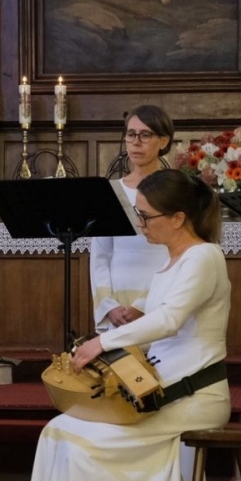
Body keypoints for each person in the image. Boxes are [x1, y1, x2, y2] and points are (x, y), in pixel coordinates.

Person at [19, 170, 232, 481]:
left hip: (194, 396)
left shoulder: (204, 257)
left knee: (81, 440)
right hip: (160, 388)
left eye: (147, 217)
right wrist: (136, 316)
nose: (140, 225)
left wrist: (102, 343)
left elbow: (170, 321)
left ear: (178, 218)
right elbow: (161, 317)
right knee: (59, 429)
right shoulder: (173, 263)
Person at [92, 106, 174, 332]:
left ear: (164, 141)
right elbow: (100, 256)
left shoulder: (176, 191)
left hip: (162, 296)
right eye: (131, 134)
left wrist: (144, 305)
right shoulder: (110, 191)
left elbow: (180, 252)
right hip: (118, 302)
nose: (136, 142)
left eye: (145, 134)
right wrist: (108, 306)